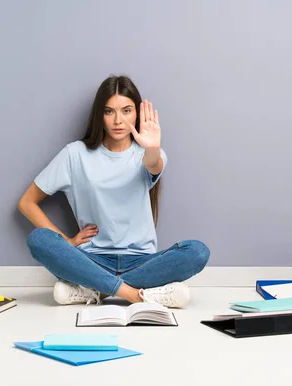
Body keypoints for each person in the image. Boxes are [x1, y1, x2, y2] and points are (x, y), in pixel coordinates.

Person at [18, 75, 210, 308]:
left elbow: (153, 164)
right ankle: (137, 294)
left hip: (143, 262)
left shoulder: (148, 154)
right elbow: (27, 202)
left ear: (136, 114)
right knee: (39, 240)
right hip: (91, 260)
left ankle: (95, 290)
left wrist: (152, 148)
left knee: (198, 252)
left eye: (126, 111)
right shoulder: (75, 155)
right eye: (109, 112)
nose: (118, 120)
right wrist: (68, 242)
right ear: (99, 115)